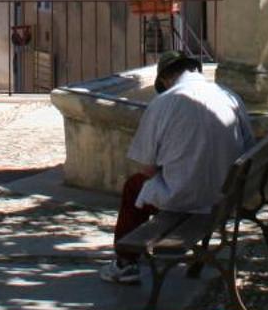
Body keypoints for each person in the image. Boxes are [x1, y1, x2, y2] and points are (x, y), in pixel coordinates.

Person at [101, 52, 255, 285]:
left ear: (165, 79)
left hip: (187, 198)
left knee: (135, 187)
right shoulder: (229, 96)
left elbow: (146, 167)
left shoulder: (163, 103)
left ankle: (125, 263)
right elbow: (249, 147)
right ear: (195, 69)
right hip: (228, 196)